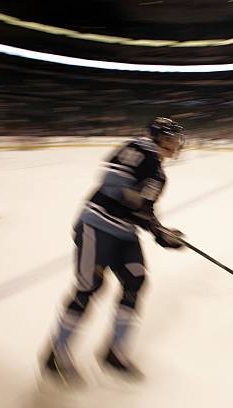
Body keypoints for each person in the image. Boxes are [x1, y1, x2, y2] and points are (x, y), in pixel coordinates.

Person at [42, 117, 186, 385]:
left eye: (177, 139)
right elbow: (113, 187)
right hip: (97, 227)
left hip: (124, 234)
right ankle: (55, 355)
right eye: (171, 138)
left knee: (136, 281)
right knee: (89, 287)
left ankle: (113, 352)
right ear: (158, 137)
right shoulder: (138, 148)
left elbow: (145, 209)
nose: (176, 144)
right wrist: (141, 212)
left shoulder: (159, 174)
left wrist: (161, 233)